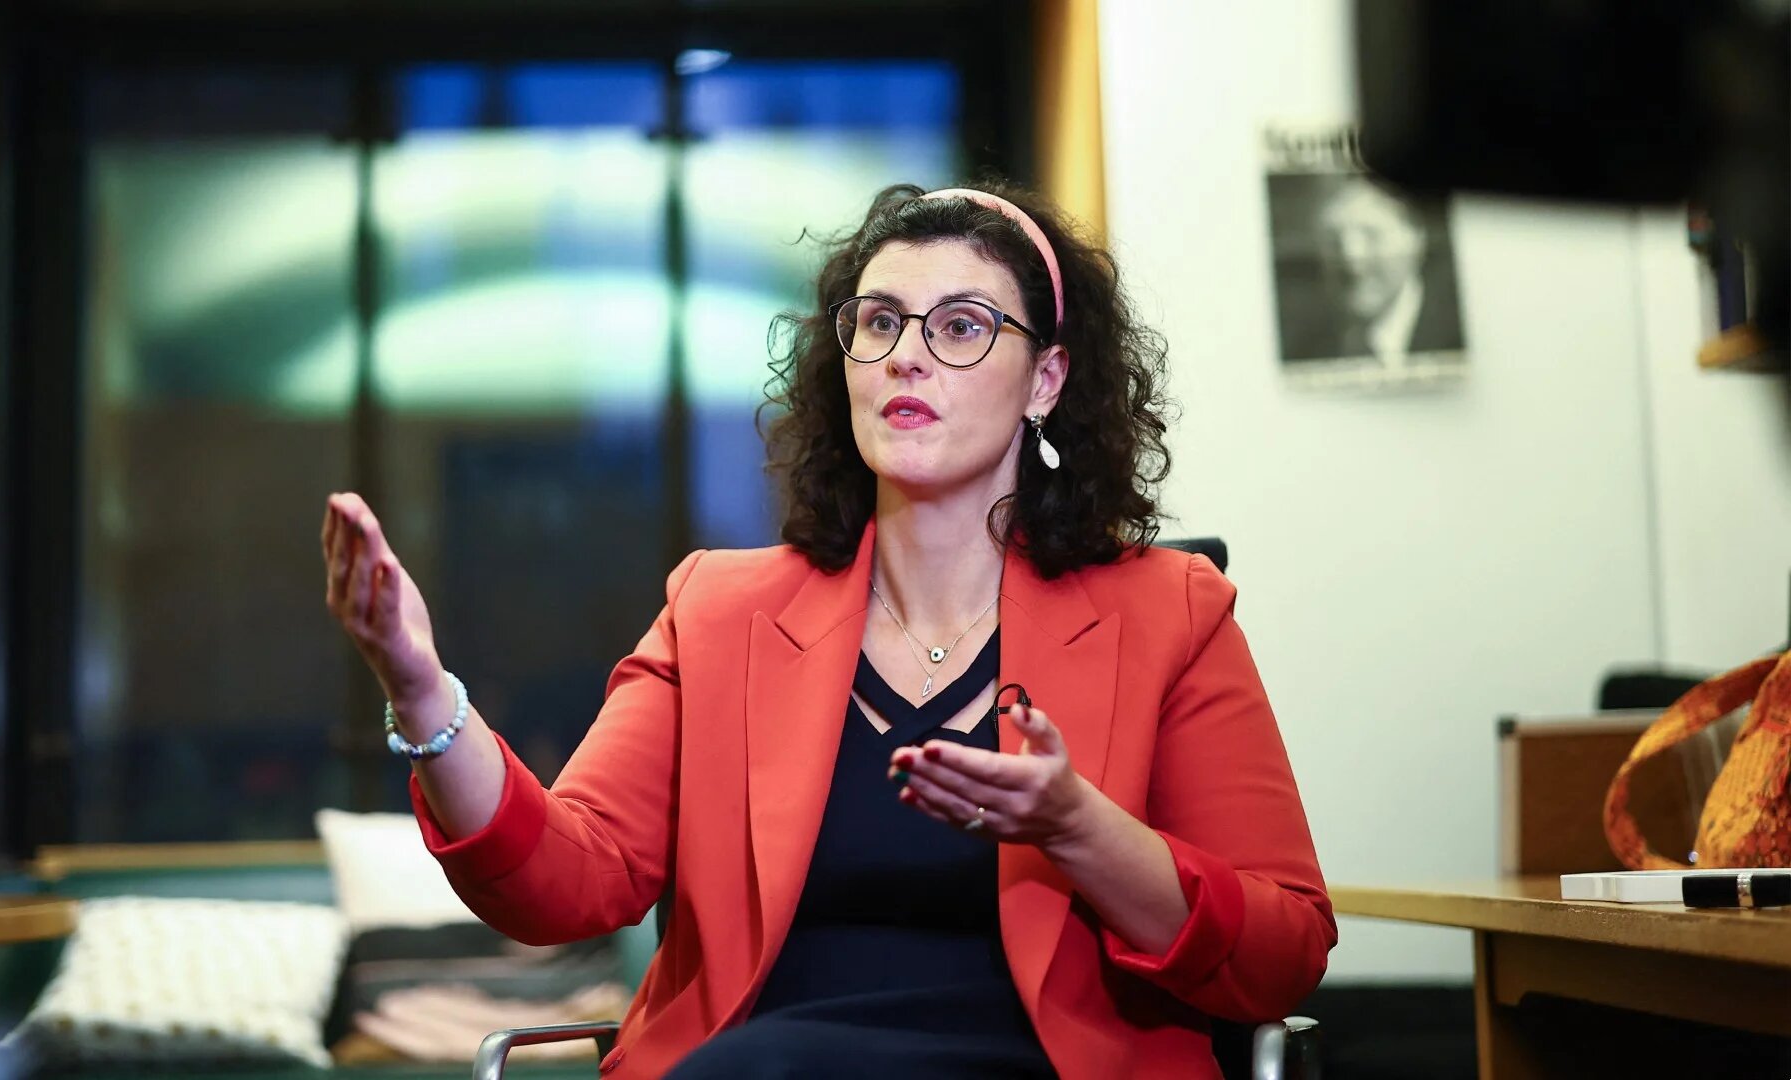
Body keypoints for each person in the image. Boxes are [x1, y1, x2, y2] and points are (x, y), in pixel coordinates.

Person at [321, 181, 1335, 1079]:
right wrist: (421, 691)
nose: (908, 357)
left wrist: (1078, 828)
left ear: (1047, 381)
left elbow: (1282, 954)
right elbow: (562, 885)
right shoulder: (718, 609)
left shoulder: (1171, 609)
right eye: (881, 322)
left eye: (964, 326)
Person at [1298, 176, 1462, 366]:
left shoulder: (1460, 331)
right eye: (1333, 241)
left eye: (1371, 236)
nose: (1351, 260)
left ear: (1416, 238)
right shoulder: (1305, 348)